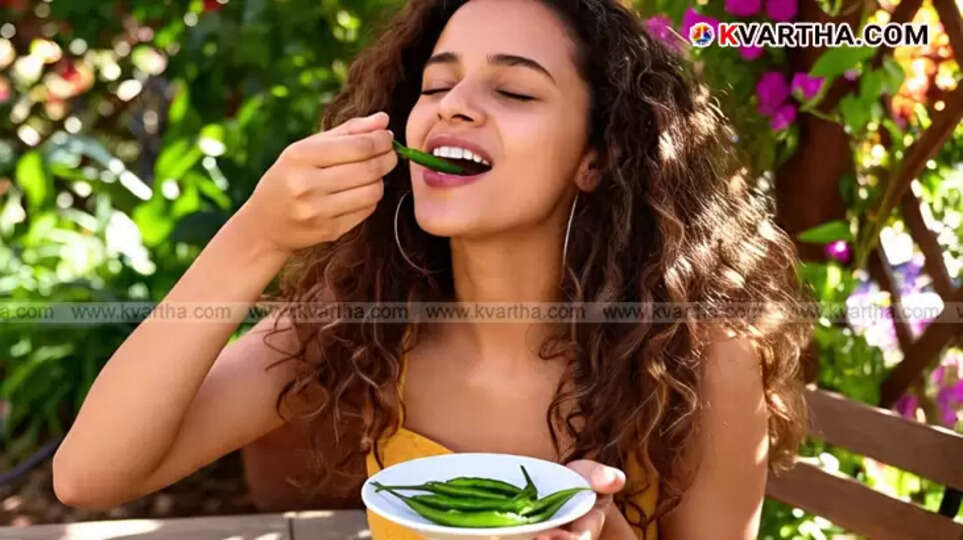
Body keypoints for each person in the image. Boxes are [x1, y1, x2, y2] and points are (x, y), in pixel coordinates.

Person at [52, 1, 814, 538]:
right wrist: (254, 237)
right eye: (435, 84)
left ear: (596, 158)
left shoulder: (701, 359)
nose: (453, 106)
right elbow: (89, 477)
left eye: (512, 90)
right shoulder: (356, 329)